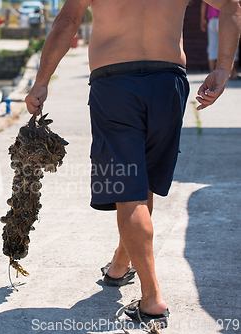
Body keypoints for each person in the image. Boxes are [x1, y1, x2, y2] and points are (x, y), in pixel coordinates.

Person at [25, 0, 241, 329]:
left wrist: (41, 80)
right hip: (167, 84)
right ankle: (119, 264)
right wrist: (224, 67)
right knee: (143, 182)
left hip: (115, 85)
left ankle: (152, 299)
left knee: (128, 189)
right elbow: (231, 5)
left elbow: (68, 21)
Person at [201, 1, 240, 79]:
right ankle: (233, 73)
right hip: (225, 19)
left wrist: (202, 19)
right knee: (231, 45)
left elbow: (204, 3)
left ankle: (212, 73)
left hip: (212, 20)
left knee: (212, 46)